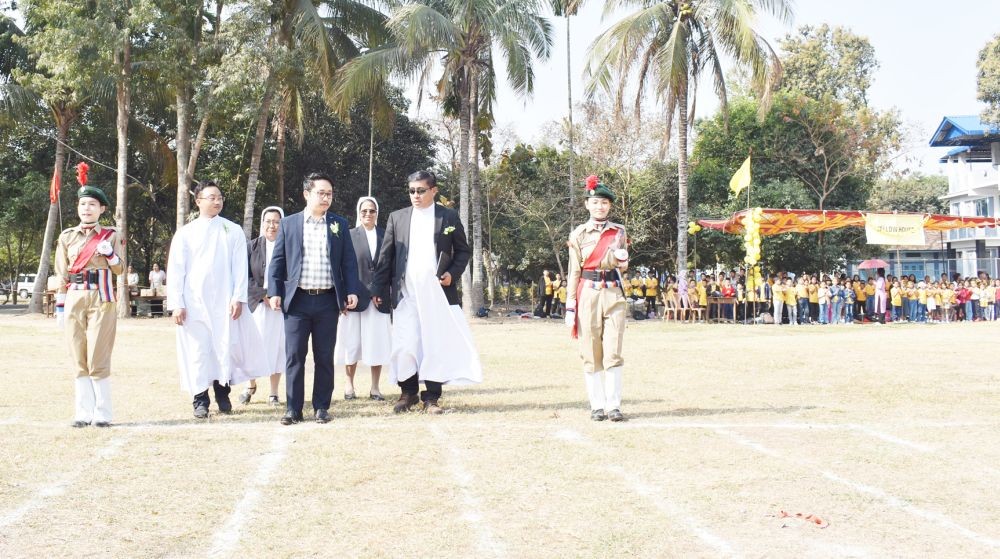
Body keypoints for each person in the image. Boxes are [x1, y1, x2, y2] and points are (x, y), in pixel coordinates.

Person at [371, 170, 482, 414]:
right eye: (411, 191)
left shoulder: (448, 217)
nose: (415, 195)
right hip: (405, 294)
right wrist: (378, 289)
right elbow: (385, 257)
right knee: (405, 344)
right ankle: (407, 393)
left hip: (436, 295)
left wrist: (452, 273)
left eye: (421, 190)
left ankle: (431, 398)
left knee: (434, 343)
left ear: (434, 190)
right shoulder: (397, 218)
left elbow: (463, 251)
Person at [168, 181, 268, 419]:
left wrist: (238, 298)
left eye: (220, 197)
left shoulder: (232, 230)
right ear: (198, 201)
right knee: (198, 351)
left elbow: (239, 269)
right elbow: (176, 270)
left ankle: (223, 394)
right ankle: (200, 399)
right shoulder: (186, 233)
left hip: (224, 302)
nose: (217, 201)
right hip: (194, 304)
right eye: (211, 197)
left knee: (223, 347)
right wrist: (177, 303)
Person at [268, 173, 362, 425]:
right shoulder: (289, 224)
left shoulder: (339, 224)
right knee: (294, 356)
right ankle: (293, 408)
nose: (326, 198)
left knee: (324, 356)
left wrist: (351, 290)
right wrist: (274, 291)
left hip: (327, 301)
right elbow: (278, 261)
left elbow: (348, 262)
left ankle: (321, 407)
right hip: (297, 301)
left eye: (329, 193)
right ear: (306, 194)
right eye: (321, 192)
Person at [54, 163, 125, 427]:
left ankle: (103, 413)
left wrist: (109, 253)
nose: (87, 208)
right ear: (78, 208)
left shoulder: (111, 235)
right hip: (74, 297)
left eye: (93, 204)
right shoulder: (66, 236)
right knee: (77, 354)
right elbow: (61, 273)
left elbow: (119, 268)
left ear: (102, 209)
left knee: (98, 355)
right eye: (83, 204)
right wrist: (60, 306)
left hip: (101, 298)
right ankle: (83, 413)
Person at [565, 175, 629, 422]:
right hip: (588, 292)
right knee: (590, 350)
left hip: (613, 292)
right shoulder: (579, 233)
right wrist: (571, 304)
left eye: (604, 202)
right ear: (587, 205)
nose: (600, 206)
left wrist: (621, 260)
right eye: (595, 202)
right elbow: (574, 271)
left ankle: (614, 405)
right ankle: (597, 405)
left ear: (609, 206)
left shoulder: (619, 232)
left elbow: (624, 267)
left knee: (613, 350)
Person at [334, 196, 391, 401]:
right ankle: (349, 386)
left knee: (377, 344)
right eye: (364, 211)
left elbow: (388, 269)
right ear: (359, 212)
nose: (368, 214)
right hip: (354, 299)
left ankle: (375, 387)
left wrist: (380, 292)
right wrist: (343, 298)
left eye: (372, 211)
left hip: (379, 300)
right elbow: (341, 269)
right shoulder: (348, 236)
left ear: (377, 213)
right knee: (351, 344)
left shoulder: (386, 236)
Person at [240, 206, 286, 407]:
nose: (272, 225)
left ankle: (274, 393)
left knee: (277, 348)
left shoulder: (288, 246)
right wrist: (263, 295)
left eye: (276, 221)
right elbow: (244, 277)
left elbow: (293, 275)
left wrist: (277, 295)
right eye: (268, 221)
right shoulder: (252, 246)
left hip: (280, 307)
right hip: (257, 306)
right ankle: (250, 386)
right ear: (262, 223)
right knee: (252, 347)